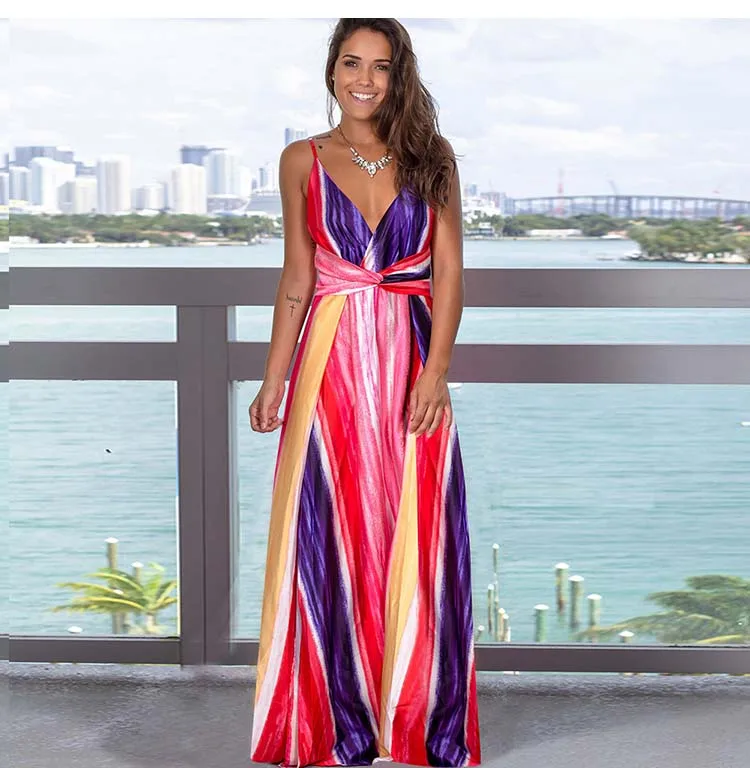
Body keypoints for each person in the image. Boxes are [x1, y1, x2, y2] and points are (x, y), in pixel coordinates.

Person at [249, 18, 481, 768]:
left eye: (380, 67)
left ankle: (416, 720)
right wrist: (275, 377)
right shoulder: (302, 160)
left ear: (397, 76)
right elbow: (297, 278)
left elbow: (449, 273)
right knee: (329, 527)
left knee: (419, 526)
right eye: (352, 63)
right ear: (332, 71)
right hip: (329, 365)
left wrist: (436, 371)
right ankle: (336, 722)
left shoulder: (432, 158)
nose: (364, 80)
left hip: (412, 358)